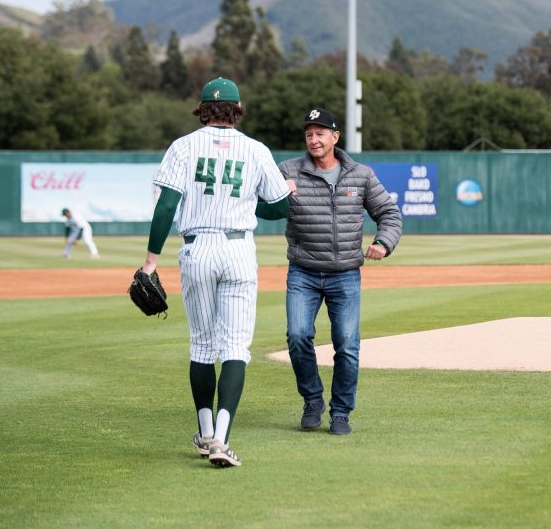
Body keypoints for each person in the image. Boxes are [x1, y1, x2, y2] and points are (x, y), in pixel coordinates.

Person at [139, 77, 290, 468]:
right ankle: (222, 440)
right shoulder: (256, 150)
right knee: (236, 348)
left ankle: (205, 434)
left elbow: (166, 206)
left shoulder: (184, 146)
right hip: (239, 248)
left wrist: (151, 261)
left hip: (197, 248)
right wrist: (256, 199)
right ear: (238, 110)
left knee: (203, 347)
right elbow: (278, 207)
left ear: (203, 110)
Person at [274, 107, 402, 436]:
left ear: (335, 137)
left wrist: (384, 243)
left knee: (347, 344)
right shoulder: (288, 170)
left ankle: (341, 412)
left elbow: (389, 212)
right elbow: (263, 206)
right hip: (302, 271)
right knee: (298, 336)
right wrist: (278, 194)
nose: (313, 139)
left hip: (345, 273)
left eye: (320, 133)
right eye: (308, 134)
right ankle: (312, 400)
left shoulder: (360, 175)